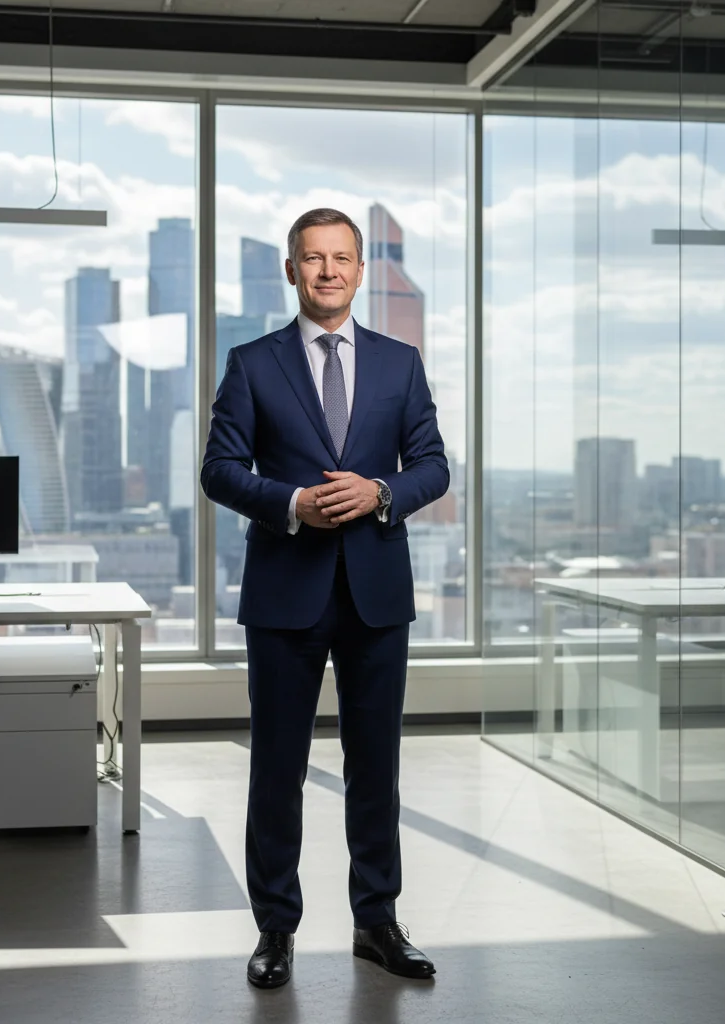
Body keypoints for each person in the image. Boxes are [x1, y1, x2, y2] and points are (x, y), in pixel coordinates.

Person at [200, 207, 449, 989]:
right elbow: (218, 469)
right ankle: (275, 929)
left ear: (360, 269)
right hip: (285, 593)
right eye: (314, 259)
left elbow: (435, 468)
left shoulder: (399, 363)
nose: (329, 271)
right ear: (292, 269)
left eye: (342, 258)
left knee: (376, 768)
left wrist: (381, 490)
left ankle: (377, 921)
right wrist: (290, 504)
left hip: (377, 592)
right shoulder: (251, 363)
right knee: (277, 769)